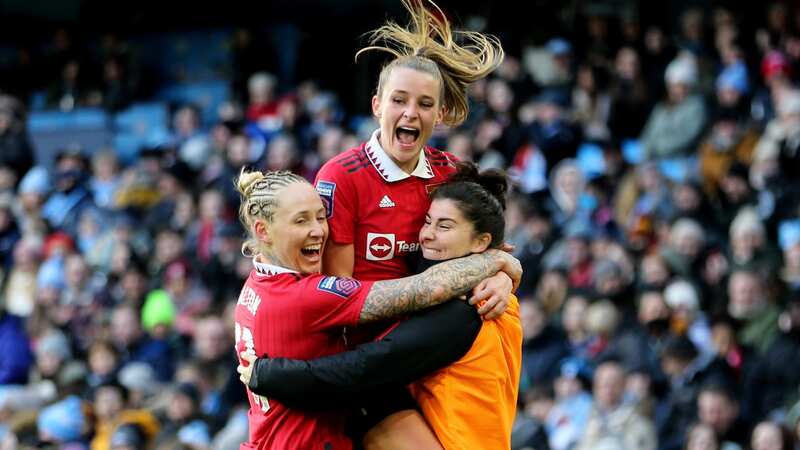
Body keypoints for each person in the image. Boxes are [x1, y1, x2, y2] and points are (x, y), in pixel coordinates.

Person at [238, 163, 522, 449]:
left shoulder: (254, 287)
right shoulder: (306, 296)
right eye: (301, 221)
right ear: (263, 230)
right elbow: (424, 290)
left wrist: (497, 268)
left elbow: (372, 366)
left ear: (481, 241)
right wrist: (494, 261)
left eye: (321, 218)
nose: (318, 231)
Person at [313, 0, 510, 318]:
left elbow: (487, 248)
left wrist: (502, 276)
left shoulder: (451, 171)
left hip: (437, 323)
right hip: (370, 336)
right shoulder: (340, 177)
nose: (410, 113)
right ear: (377, 106)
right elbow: (339, 294)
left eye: (425, 103)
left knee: (506, 311)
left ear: (440, 114)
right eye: (399, 100)